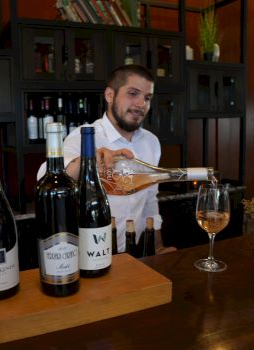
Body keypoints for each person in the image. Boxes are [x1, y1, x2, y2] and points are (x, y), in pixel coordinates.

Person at [37, 64, 176, 254]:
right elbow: (45, 177)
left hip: (132, 253)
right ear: (110, 95)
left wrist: (158, 247)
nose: (141, 104)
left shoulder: (151, 143)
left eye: (147, 98)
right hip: (89, 254)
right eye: (133, 93)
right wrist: (88, 161)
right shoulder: (84, 137)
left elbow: (150, 200)